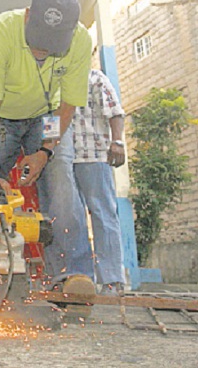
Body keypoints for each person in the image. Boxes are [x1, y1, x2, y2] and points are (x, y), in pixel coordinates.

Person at [0, 0, 95, 282]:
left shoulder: (81, 41)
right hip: (1, 115)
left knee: (61, 185)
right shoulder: (0, 32)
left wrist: (45, 152)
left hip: (47, 117)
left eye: (51, 44)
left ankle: (72, 276)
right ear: (28, 16)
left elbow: (67, 106)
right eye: (38, 40)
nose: (41, 51)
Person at [72, 69, 126, 295]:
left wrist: (118, 142)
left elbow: (115, 112)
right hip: (64, 159)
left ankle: (112, 280)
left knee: (103, 214)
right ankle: (81, 279)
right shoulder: (55, 74)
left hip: (94, 155)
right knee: (72, 218)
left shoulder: (95, 77)